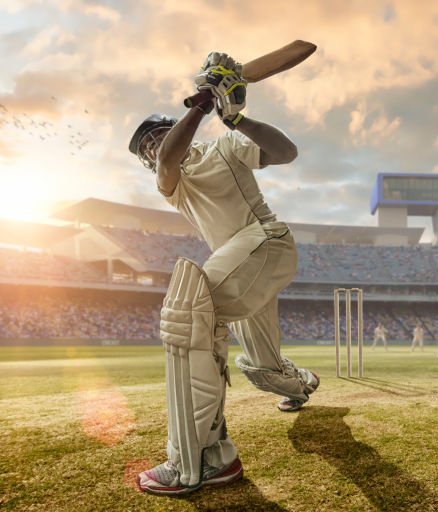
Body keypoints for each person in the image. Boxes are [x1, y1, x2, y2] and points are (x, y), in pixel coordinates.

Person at [129, 52, 318, 496]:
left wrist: (235, 118)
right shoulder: (171, 181)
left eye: (156, 138)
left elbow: (286, 152)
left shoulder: (224, 147)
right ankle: (300, 384)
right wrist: (199, 105)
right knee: (262, 366)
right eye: (148, 151)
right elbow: (169, 158)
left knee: (188, 310)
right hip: (242, 265)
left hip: (265, 241)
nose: (156, 149)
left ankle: (203, 460)